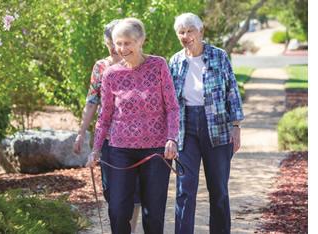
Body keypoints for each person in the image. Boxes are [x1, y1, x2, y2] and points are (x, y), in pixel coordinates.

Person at [87, 17, 180, 234]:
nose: (122, 48)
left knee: (153, 213)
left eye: (127, 43)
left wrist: (172, 138)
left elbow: (173, 107)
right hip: (119, 151)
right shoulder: (110, 74)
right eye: (118, 43)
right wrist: (96, 149)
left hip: (156, 150)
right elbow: (105, 116)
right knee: (118, 210)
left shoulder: (158, 65)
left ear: (141, 41)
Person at [169, 13, 245, 234]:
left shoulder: (219, 56)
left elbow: (232, 90)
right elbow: (171, 101)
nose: (186, 36)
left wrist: (236, 126)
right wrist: (170, 135)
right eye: (181, 32)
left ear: (201, 31)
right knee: (185, 188)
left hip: (218, 127)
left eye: (190, 30)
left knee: (218, 188)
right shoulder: (174, 61)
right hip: (186, 128)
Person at [72, 19, 140, 233]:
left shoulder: (138, 64)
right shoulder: (100, 67)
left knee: (135, 192)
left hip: (137, 137)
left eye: (115, 42)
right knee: (112, 192)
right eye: (109, 43)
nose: (113, 47)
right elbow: (91, 101)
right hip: (108, 138)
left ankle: (130, 229)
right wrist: (81, 133)